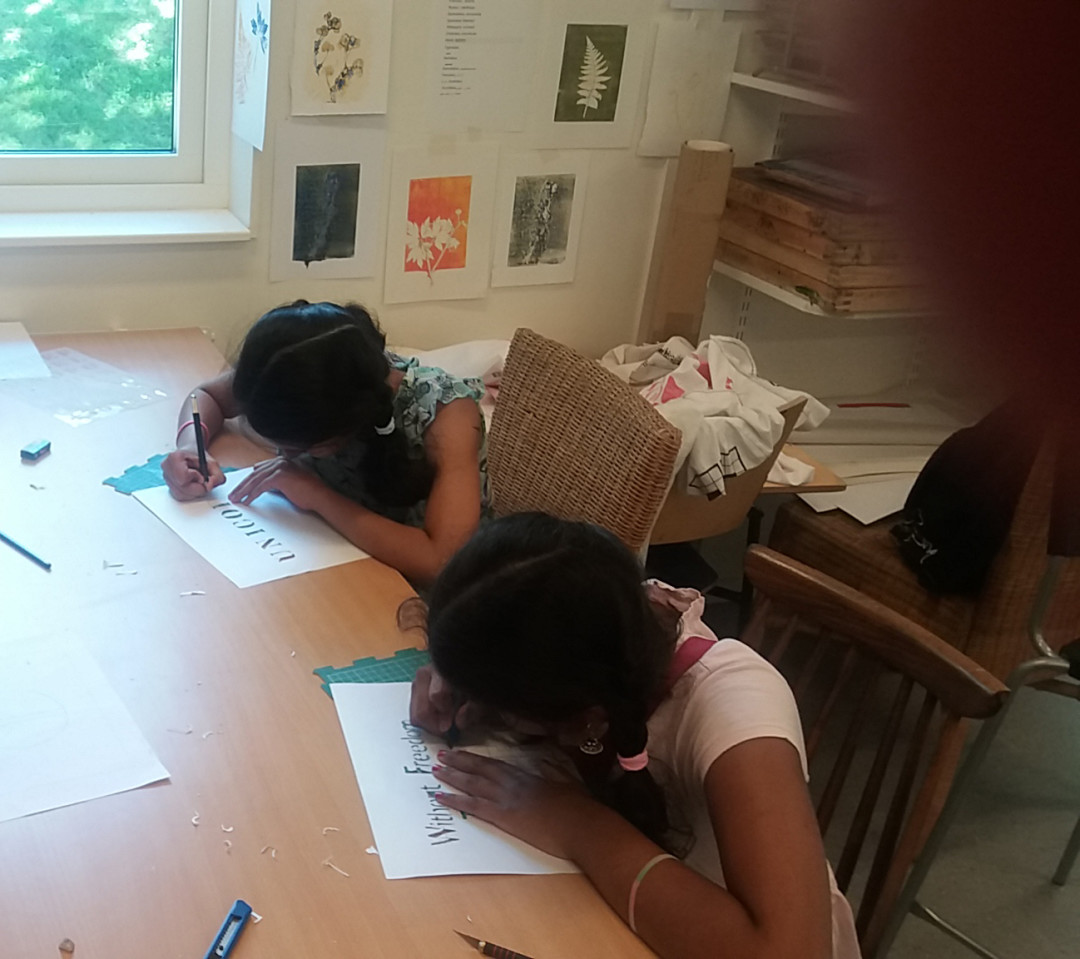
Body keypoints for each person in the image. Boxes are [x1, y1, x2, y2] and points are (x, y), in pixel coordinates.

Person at [408, 512, 860, 959]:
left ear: (585, 720)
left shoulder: (733, 703)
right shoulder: (599, 624)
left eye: (505, 707)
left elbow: (793, 951)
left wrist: (578, 824)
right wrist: (460, 675)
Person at [162, 300, 487, 585]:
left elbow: (441, 562)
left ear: (347, 420)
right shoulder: (290, 368)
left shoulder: (447, 416)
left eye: (301, 448)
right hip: (332, 555)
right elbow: (206, 395)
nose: (287, 455)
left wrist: (318, 496)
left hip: (419, 591)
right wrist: (191, 445)